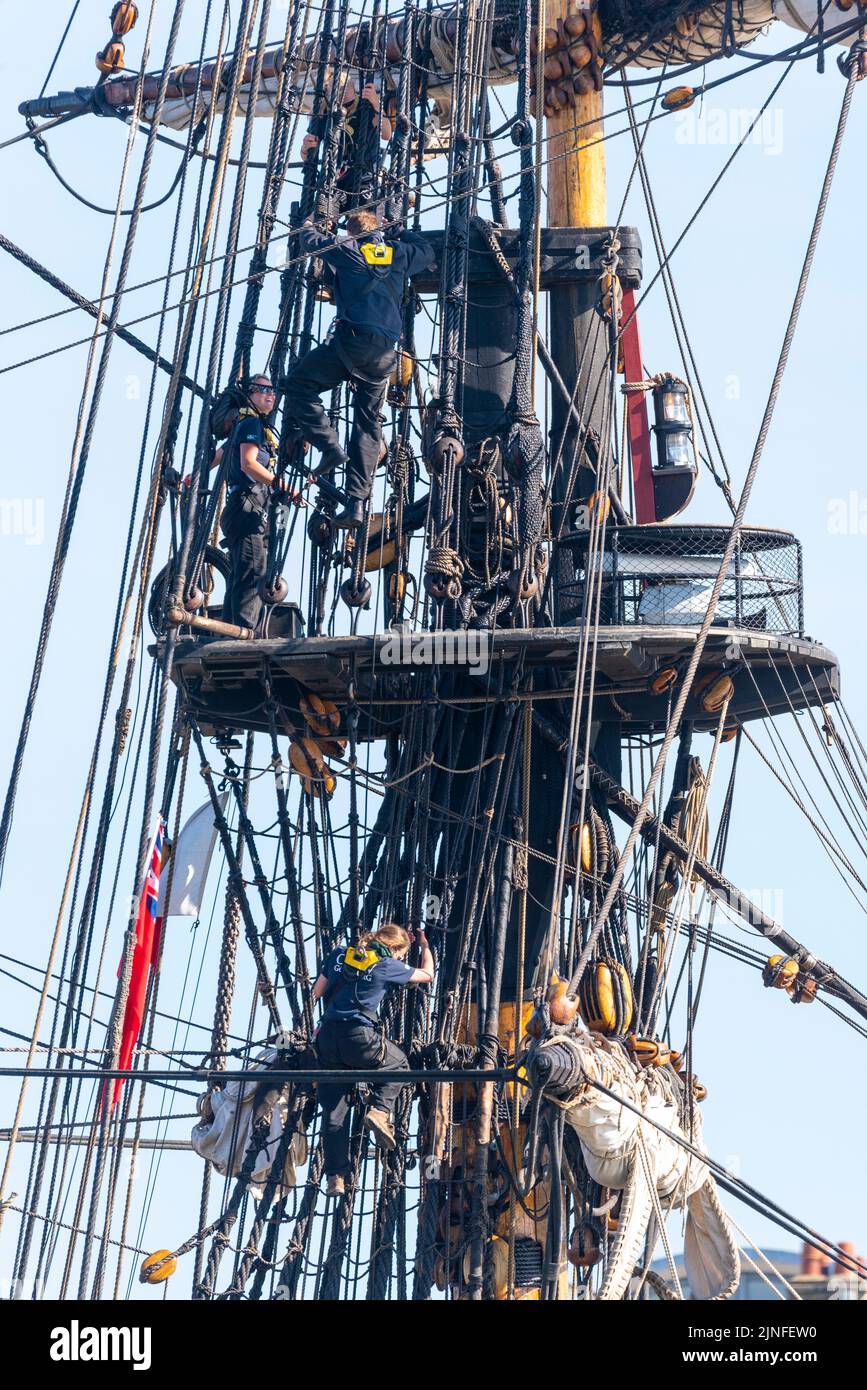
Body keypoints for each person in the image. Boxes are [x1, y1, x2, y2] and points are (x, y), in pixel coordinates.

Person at [286, 210, 435, 528]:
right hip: (383, 356)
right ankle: (356, 504)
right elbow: (427, 251)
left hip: (351, 344)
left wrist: (310, 222)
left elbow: (311, 242)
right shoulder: (399, 252)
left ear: (353, 232)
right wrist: (404, 232)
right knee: (368, 425)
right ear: (380, 230)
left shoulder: (347, 248)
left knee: (298, 383)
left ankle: (329, 445)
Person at [311, 922, 434, 1197]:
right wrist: (424, 945)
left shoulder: (341, 953)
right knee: (399, 1064)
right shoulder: (386, 964)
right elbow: (427, 975)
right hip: (359, 1038)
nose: (400, 960)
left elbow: (317, 992)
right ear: (393, 948)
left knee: (333, 1113)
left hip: (327, 1040)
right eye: (401, 954)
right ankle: (379, 1111)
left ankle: (335, 1178)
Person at [217, 375, 304, 632]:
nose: (271, 395)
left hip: (242, 509)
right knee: (254, 571)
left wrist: (191, 477)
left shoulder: (248, 426)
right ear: (250, 395)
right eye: (263, 390)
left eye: (273, 391)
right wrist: (284, 486)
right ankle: (244, 633)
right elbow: (249, 463)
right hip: (248, 507)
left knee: (241, 574)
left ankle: (232, 630)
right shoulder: (251, 423)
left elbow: (220, 454)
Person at [301, 78, 393, 214]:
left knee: (364, 224)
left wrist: (376, 103)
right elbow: (306, 157)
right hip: (334, 181)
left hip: (364, 179)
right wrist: (305, 147)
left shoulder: (366, 106)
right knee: (320, 220)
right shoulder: (324, 114)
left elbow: (386, 134)